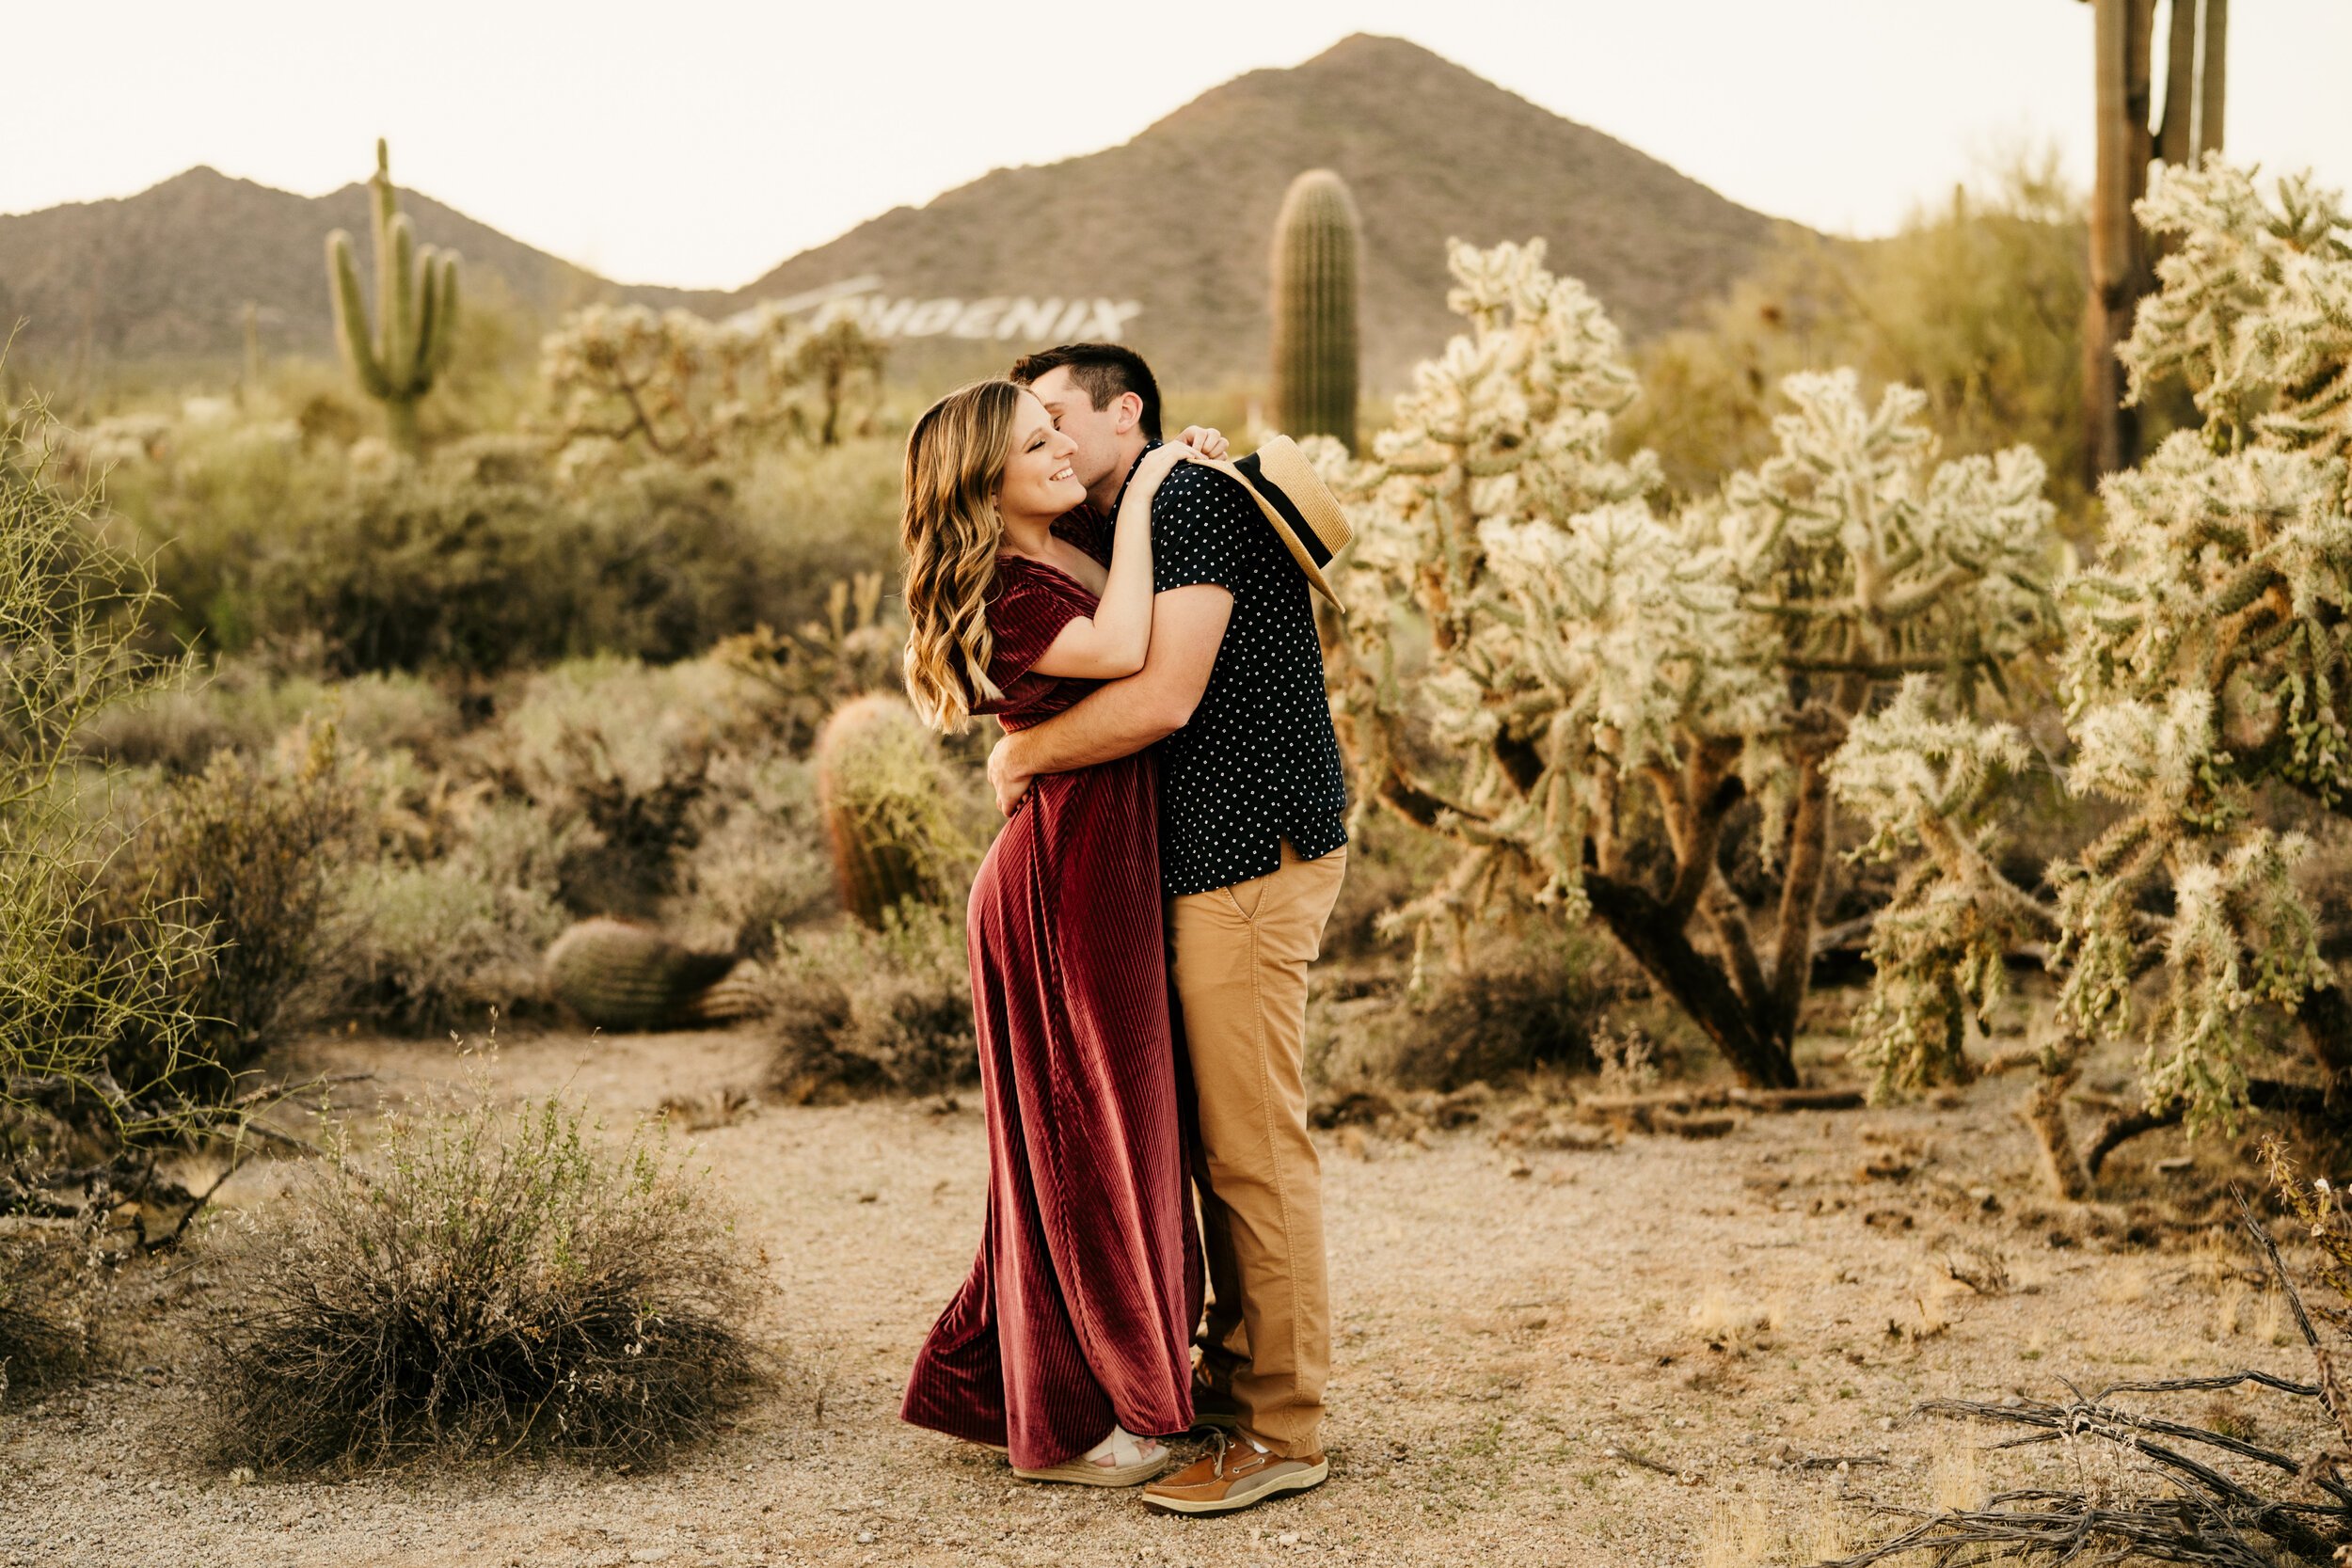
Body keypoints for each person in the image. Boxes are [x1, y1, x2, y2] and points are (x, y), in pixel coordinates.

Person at [994, 342, 1351, 1516]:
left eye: (1054, 415)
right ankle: (1225, 1381)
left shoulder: (1191, 498)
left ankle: (1280, 1427)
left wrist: (1023, 754)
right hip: (1196, 864)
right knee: (1208, 1142)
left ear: (1123, 413)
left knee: (1250, 1146)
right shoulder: (1131, 520)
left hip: (1251, 855)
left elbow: (1163, 697)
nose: (1038, 437)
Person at [895, 377, 1226, 1486]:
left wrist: (1172, 461)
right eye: (1033, 445)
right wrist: (1152, 493)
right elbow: (1132, 640)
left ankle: (1062, 1381)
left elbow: (1139, 506)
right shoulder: (1009, 588)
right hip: (1057, 877)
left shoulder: (1061, 536)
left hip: (1098, 857)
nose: (1058, 456)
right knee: (1087, 1136)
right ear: (981, 484)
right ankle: (1082, 1424)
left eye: (1057, 435)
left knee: (1110, 1127)